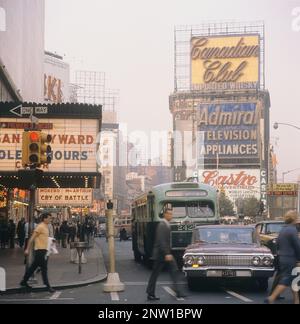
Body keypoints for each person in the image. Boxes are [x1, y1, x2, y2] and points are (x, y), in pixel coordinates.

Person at [146, 208, 185, 301]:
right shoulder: (162, 225)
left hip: (164, 253)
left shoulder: (166, 224)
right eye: (169, 214)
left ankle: (178, 292)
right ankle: (150, 293)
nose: (171, 216)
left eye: (171, 214)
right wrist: (167, 253)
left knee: (174, 270)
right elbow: (161, 240)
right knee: (155, 274)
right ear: (165, 215)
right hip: (161, 254)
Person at [265, 210, 300, 304]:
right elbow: (297, 246)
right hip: (290, 258)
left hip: (282, 258)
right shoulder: (293, 230)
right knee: (286, 279)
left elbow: (278, 244)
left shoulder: (283, 229)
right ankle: (271, 298)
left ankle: (296, 300)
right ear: (294, 218)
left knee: (294, 279)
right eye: (297, 216)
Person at [20, 213, 55, 293]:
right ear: (44, 219)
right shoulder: (40, 227)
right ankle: (48, 286)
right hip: (40, 250)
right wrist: (27, 249)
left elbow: (44, 238)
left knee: (34, 267)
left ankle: (24, 281)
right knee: (44, 268)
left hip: (44, 250)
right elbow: (31, 238)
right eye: (49, 218)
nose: (50, 220)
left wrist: (51, 243)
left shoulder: (46, 227)